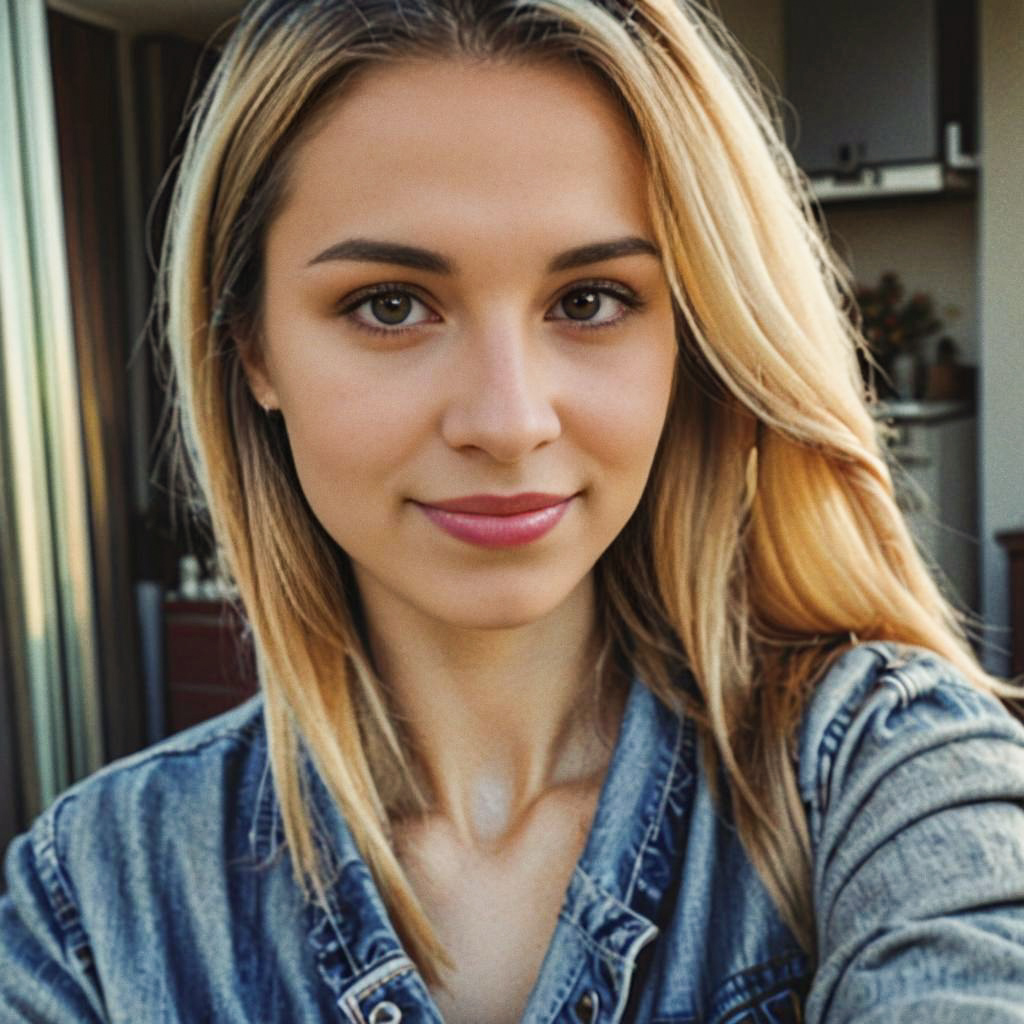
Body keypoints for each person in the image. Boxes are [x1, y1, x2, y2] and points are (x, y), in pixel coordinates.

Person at [3, 0, 1024, 1020]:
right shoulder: (93, 897)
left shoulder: (887, 772)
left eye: (589, 300)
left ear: (696, 336)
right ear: (254, 351)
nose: (508, 421)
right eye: (390, 303)